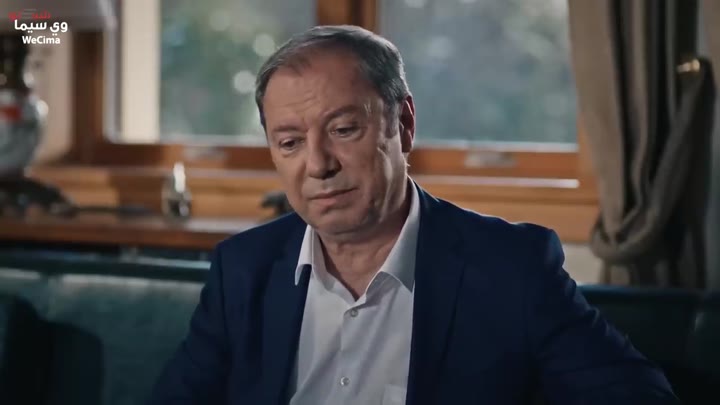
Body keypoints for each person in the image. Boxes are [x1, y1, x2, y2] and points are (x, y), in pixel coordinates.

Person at [148, 25, 678, 405]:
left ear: (402, 125)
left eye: (343, 130)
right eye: (290, 142)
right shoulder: (243, 269)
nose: (318, 165)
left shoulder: (510, 268)